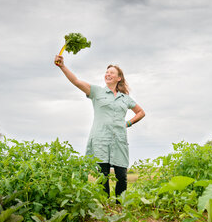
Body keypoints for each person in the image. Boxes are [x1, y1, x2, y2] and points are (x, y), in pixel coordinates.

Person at [54, 55, 145, 200]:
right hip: (100, 139)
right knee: (103, 176)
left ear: (119, 78)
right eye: (107, 72)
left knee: (122, 175)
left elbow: (141, 112)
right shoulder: (96, 91)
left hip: (119, 140)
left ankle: (120, 207)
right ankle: (105, 207)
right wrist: (63, 66)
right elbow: (76, 81)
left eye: (112, 72)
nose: (108, 74)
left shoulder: (125, 98)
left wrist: (128, 123)